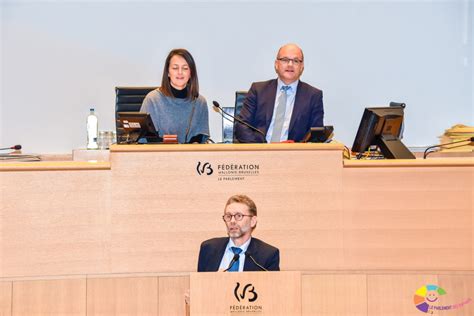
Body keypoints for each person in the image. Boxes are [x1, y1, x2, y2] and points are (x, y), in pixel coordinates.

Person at [234, 43, 324, 143]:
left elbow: (316, 137)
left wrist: (295, 148)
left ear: (301, 66)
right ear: (276, 64)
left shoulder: (313, 96)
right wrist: (264, 149)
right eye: (285, 60)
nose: (290, 64)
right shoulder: (258, 90)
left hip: (294, 155)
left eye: (296, 61)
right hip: (260, 152)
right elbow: (241, 127)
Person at [141, 48, 210, 143]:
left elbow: (201, 138)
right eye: (175, 68)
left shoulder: (199, 102)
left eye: (185, 68)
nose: (180, 72)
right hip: (159, 156)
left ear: (191, 73)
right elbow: (145, 139)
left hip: (190, 156)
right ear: (168, 72)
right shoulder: (153, 100)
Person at [197, 194, 280, 272]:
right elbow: (199, 285)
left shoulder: (268, 254)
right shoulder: (208, 249)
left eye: (239, 216)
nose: (232, 221)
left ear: (253, 221)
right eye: (228, 216)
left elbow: (272, 286)